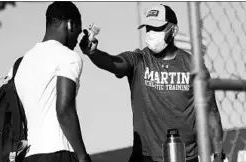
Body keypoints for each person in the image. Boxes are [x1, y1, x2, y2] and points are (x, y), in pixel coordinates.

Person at [80, 4, 225, 162]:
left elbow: (211, 113)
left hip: (185, 157)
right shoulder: (139, 59)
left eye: (157, 28)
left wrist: (218, 154)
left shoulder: (193, 65)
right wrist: (92, 52)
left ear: (173, 30)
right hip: (145, 157)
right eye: (148, 28)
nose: (151, 33)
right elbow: (113, 62)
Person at [6, 2, 92, 162]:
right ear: (70, 24)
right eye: (78, 33)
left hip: (29, 156)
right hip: (59, 153)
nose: (76, 41)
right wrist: (83, 156)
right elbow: (64, 110)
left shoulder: (18, 65)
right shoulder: (68, 57)